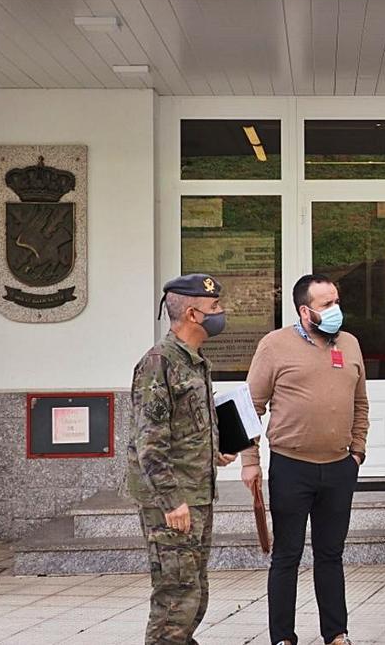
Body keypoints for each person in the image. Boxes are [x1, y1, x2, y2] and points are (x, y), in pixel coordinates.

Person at [241, 274, 369, 645]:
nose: (335, 310)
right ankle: (282, 637)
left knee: (331, 554)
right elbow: (251, 406)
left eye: (336, 301)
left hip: (339, 466)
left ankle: (337, 633)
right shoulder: (275, 346)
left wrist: (357, 450)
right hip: (291, 466)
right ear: (305, 310)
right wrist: (250, 461)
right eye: (327, 305)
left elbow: (360, 402)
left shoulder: (349, 344)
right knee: (287, 555)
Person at [126, 273, 240, 645]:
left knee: (194, 591)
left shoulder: (194, 361)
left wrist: (214, 452)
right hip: (174, 501)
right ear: (193, 314)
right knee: (176, 596)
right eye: (214, 308)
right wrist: (172, 500)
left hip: (197, 493)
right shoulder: (159, 363)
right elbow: (150, 443)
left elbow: (184, 426)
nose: (221, 314)